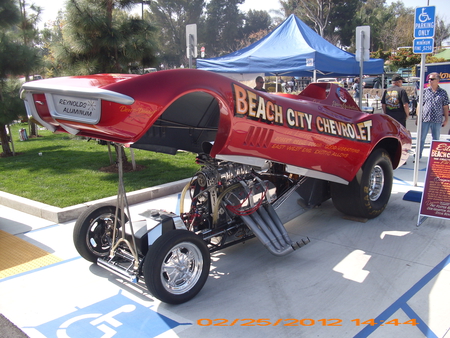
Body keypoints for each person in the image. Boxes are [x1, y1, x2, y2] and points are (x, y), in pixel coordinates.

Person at [417, 72, 449, 160]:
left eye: (432, 79)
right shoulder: (424, 91)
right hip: (425, 119)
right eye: (429, 79)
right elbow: (419, 105)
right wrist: (417, 117)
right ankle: (418, 156)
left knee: (436, 139)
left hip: (437, 119)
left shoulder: (443, 92)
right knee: (421, 138)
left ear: (438, 80)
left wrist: (446, 118)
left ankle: (435, 157)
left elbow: (445, 106)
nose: (430, 81)